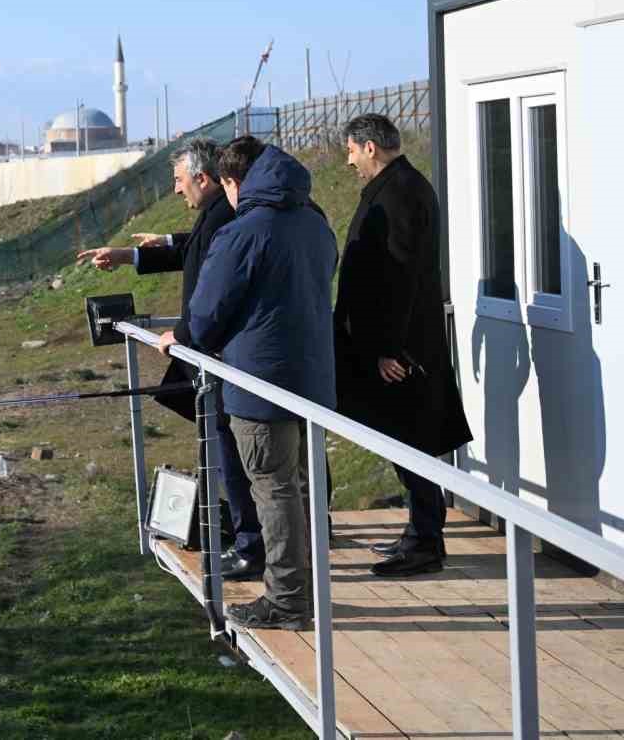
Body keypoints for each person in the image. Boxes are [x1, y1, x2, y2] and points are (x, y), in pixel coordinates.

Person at [165, 136, 337, 631]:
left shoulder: (243, 232)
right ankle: (306, 591)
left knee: (274, 490)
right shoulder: (315, 221)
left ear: (232, 181)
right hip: (312, 378)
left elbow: (206, 314)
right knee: (301, 486)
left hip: (259, 383)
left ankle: (286, 600)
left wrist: (181, 337)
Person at [77, 138, 263, 580]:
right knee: (237, 446)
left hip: (219, 354)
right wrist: (131, 254)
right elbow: (191, 249)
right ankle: (256, 535)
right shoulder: (218, 213)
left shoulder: (227, 216)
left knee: (235, 449)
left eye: (179, 181)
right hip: (220, 350)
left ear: (204, 178)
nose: (177, 191)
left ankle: (251, 543)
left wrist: (182, 335)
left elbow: (214, 282)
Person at [334, 113, 473, 577]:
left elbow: (399, 277)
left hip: (402, 351)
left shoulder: (399, 193)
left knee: (411, 440)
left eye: (351, 150)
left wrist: (389, 349)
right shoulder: (401, 186)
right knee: (405, 438)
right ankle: (418, 533)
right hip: (400, 345)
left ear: (369, 148)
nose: (349, 160)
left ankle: (426, 543)